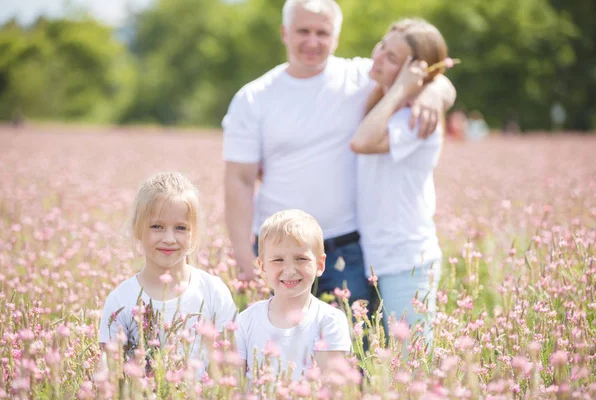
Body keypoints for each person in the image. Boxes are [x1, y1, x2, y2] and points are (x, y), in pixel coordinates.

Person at [223, 0, 456, 307]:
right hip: (278, 249)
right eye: (302, 31)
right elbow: (239, 181)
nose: (312, 41)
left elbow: (430, 72)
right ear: (284, 33)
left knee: (351, 348)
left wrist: (434, 92)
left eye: (322, 33)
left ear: (335, 36)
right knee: (277, 347)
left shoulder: (361, 76)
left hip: (349, 249)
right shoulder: (253, 98)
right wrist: (244, 257)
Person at [350, 19, 451, 344]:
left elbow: (362, 142)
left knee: (414, 370)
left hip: (407, 260)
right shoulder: (386, 102)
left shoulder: (416, 117)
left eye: (392, 58)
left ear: (414, 72)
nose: (377, 57)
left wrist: (407, 89)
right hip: (377, 255)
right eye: (381, 46)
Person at [98, 172, 237, 364]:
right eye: (157, 226)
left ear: (193, 233)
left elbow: (229, 363)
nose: (169, 239)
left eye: (181, 228)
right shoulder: (121, 300)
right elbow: (111, 376)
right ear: (138, 229)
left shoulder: (214, 291)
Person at [235, 209, 351, 381]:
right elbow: (236, 386)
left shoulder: (330, 320)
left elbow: (330, 388)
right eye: (278, 260)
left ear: (320, 264)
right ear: (262, 266)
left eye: (301, 259)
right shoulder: (246, 321)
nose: (289, 270)